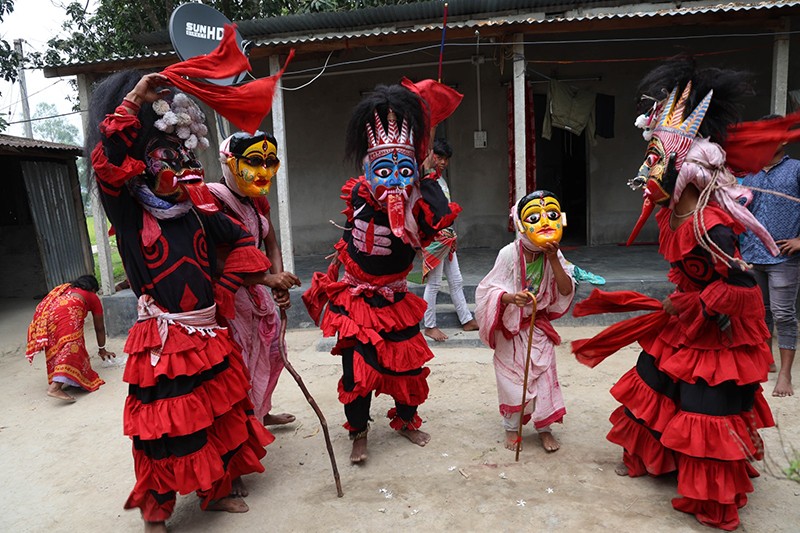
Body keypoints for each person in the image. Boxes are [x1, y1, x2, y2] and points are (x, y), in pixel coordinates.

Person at [573, 60, 778, 531]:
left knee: (706, 409)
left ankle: (712, 499)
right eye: (649, 155)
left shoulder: (711, 226)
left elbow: (743, 288)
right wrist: (682, 301)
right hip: (683, 321)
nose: (646, 166)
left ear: (682, 166)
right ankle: (652, 459)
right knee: (654, 382)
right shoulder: (673, 216)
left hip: (715, 331)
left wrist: (696, 303)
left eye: (653, 157)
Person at [87, 53, 288, 529]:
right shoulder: (130, 210)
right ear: (142, 164)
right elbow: (109, 158)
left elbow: (239, 238)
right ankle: (156, 514)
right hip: (165, 340)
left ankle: (215, 493)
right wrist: (136, 98)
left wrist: (236, 284)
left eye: (183, 158)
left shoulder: (197, 204)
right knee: (167, 431)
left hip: (209, 331)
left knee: (220, 415)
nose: (178, 169)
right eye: (166, 159)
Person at [303, 80, 462, 464]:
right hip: (358, 300)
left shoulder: (419, 198)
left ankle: (407, 421)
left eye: (402, 169)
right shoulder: (359, 193)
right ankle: (359, 432)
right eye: (384, 169)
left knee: (408, 365)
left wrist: (422, 181)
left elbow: (439, 221)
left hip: (396, 297)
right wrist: (405, 181)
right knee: (357, 372)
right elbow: (371, 215)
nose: (394, 179)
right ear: (366, 168)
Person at [208, 131, 301, 426]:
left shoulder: (256, 202)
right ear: (229, 164)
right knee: (240, 362)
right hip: (230, 298)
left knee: (272, 352)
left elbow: (270, 243)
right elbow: (212, 259)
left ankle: (261, 410)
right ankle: (244, 425)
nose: (263, 172)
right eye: (254, 162)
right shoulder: (212, 201)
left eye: (269, 162)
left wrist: (278, 282)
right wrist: (266, 280)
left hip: (257, 292)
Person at [475, 190, 575, 453]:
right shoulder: (509, 254)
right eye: (534, 216)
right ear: (520, 224)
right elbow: (487, 290)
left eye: (551, 215)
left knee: (544, 378)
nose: (544, 222)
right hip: (511, 328)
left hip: (537, 328)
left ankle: (544, 428)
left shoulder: (554, 254)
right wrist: (509, 298)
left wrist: (553, 258)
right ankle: (512, 428)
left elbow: (565, 290)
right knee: (512, 380)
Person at [740, 135, 800, 397]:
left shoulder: (796, 169)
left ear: (783, 141)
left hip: (784, 258)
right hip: (753, 255)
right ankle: (767, 362)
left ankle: (785, 375)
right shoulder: (750, 173)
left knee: (783, 314)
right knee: (759, 314)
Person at [421, 138, 479, 342]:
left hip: (447, 236)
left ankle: (466, 319)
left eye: (446, 158)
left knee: (456, 280)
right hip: (435, 239)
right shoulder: (425, 180)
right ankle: (429, 325)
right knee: (435, 283)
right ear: (430, 156)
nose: (443, 162)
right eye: (439, 157)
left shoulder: (440, 181)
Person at [26, 274, 116, 402]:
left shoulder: (65, 290)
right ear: (92, 289)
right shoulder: (92, 296)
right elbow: (99, 328)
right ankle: (55, 387)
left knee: (58, 347)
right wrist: (102, 349)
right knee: (72, 348)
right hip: (67, 314)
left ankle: (70, 379)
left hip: (49, 317)